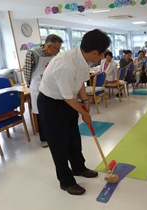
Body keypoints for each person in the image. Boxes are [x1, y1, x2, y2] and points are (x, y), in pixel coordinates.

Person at [37, 29, 111, 195]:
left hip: (67, 100)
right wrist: (84, 113)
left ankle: (79, 168)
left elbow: (80, 84)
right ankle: (66, 181)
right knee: (59, 144)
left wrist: (85, 101)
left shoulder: (83, 59)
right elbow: (67, 97)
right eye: (102, 53)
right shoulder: (65, 65)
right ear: (94, 52)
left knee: (73, 138)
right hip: (51, 103)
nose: (103, 57)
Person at [22, 34, 63, 148]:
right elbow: (27, 73)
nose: (58, 52)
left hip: (51, 85)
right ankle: (44, 139)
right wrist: (31, 86)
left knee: (53, 111)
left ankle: (54, 135)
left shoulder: (54, 56)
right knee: (41, 114)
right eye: (57, 49)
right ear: (49, 46)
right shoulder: (33, 54)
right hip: (38, 86)